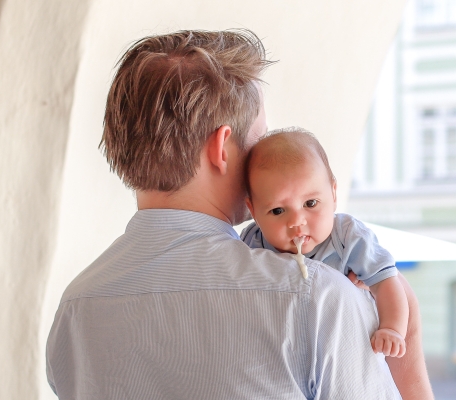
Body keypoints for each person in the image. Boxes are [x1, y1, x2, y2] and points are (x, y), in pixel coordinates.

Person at [46, 29, 432, 399]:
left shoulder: (75, 307)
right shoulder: (315, 297)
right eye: (258, 140)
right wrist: (407, 328)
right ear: (221, 147)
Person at [240, 128, 410, 363]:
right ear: (254, 212)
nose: (296, 221)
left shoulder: (347, 236)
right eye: (278, 210)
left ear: (333, 194)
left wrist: (392, 329)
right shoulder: (252, 242)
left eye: (310, 203)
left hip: (345, 347)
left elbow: (386, 282)